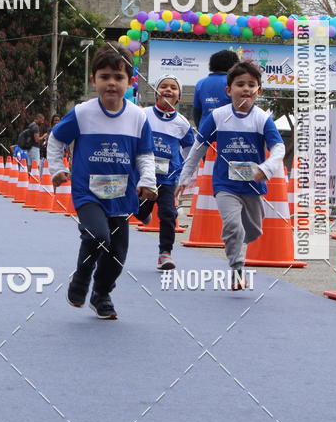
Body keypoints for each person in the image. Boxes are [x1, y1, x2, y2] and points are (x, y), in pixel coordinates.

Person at [47, 43, 157, 319]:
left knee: (117, 256)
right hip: (88, 193)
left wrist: (147, 180)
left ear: (130, 82)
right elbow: (56, 139)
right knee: (97, 236)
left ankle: (101, 293)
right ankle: (82, 277)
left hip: (121, 196)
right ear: (93, 79)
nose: (111, 83)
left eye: (118, 77)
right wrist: (57, 168)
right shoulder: (83, 113)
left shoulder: (138, 116)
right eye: (104, 76)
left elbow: (145, 154)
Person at [178, 60, 285, 290]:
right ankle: (237, 269)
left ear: (259, 90)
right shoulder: (217, 116)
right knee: (234, 225)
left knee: (254, 230)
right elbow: (198, 148)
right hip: (225, 184)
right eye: (240, 84)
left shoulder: (262, 119)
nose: (246, 89)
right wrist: (184, 178)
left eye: (251, 84)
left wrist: (265, 169)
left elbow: (279, 148)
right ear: (229, 90)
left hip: (253, 186)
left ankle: (233, 237)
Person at [137, 76, 195, 270]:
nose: (168, 90)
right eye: (163, 86)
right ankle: (142, 213)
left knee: (168, 214)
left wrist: (185, 177)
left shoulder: (183, 124)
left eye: (173, 88)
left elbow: (190, 152)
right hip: (144, 176)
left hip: (169, 178)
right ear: (156, 93)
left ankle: (165, 254)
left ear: (179, 97)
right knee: (139, 209)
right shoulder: (143, 115)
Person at [192, 49, 240, 129]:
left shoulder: (200, 83)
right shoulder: (234, 83)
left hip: (205, 130)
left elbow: (196, 111)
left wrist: (201, 128)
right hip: (228, 131)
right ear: (234, 66)